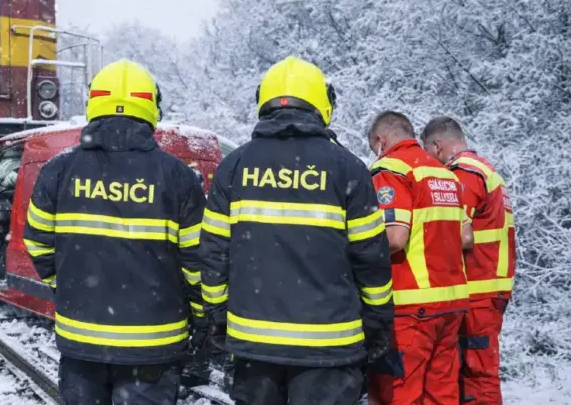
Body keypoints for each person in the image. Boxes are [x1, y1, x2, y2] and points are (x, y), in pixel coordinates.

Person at [200, 55, 394, 405]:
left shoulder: (234, 166)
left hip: (253, 345)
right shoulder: (348, 168)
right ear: (323, 103)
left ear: (264, 100)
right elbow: (372, 258)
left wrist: (216, 315)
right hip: (329, 347)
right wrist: (378, 321)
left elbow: (214, 254)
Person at [22, 58, 207, 405]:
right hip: (154, 344)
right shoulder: (178, 176)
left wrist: (70, 286)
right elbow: (197, 262)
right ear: (151, 107)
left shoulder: (58, 170)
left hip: (81, 340)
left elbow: (36, 241)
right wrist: (197, 314)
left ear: (93, 104)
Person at [366, 111, 471, 404]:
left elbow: (395, 238)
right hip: (451, 304)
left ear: (379, 140)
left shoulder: (391, 169)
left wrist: (354, 248)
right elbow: (466, 237)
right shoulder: (445, 174)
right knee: (442, 394)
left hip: (412, 307)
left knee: (400, 394)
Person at [421, 116, 515, 405]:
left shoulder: (463, 173)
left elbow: (457, 232)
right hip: (490, 286)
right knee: (478, 370)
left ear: (437, 146)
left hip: (478, 288)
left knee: (478, 373)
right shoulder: (486, 170)